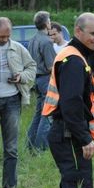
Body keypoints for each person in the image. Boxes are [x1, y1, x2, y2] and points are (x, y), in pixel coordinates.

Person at [42, 12, 94, 188]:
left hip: (70, 134)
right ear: (78, 31)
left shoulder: (78, 56)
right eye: (93, 33)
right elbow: (70, 103)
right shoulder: (74, 61)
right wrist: (85, 138)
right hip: (69, 136)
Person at [0, 17, 37, 188]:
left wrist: (22, 77)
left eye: (8, 36)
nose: (5, 39)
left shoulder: (17, 48)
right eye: (1, 36)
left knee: (11, 149)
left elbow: (32, 66)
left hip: (12, 101)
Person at [27, 11, 56, 153]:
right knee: (46, 114)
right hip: (45, 79)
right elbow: (51, 66)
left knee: (38, 114)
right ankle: (40, 148)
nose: (50, 22)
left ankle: (30, 144)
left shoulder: (33, 39)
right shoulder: (46, 41)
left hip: (36, 79)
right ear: (46, 23)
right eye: (49, 20)